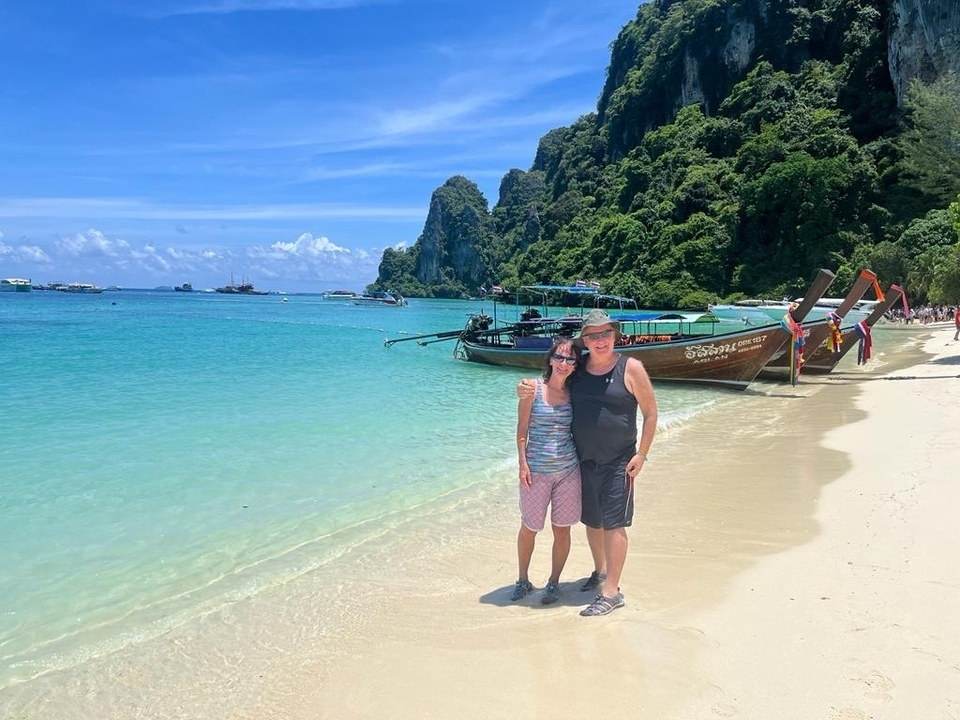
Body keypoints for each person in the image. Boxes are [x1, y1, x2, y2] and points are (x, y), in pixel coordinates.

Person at [519, 309, 658, 616]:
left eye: (605, 334)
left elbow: (650, 412)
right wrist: (526, 387)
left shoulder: (630, 368)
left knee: (615, 524)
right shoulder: (578, 369)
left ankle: (611, 593)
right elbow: (553, 381)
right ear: (584, 340)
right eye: (592, 335)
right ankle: (600, 572)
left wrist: (642, 453)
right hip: (582, 462)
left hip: (620, 462)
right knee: (592, 522)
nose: (600, 340)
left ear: (614, 336)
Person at [510, 337, 583, 604]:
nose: (564, 363)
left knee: (562, 529)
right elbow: (521, 431)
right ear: (550, 359)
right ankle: (523, 580)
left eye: (571, 360)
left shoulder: (575, 395)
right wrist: (522, 465)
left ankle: (553, 583)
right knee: (529, 527)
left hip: (568, 472)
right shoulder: (532, 389)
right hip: (536, 472)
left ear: (576, 366)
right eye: (560, 357)